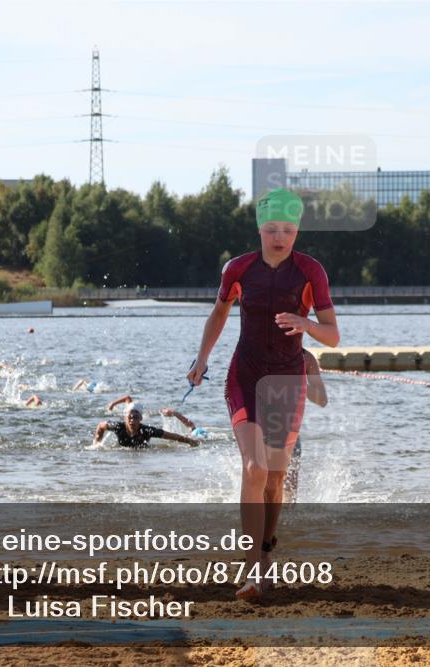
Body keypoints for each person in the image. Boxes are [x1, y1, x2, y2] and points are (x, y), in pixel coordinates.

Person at [187, 187, 339, 601]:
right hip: (246, 375)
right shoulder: (238, 269)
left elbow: (333, 335)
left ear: (297, 231)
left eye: (288, 230)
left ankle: (266, 555)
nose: (280, 237)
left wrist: (305, 325)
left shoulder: (311, 272)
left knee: (274, 480)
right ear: (259, 228)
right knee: (254, 468)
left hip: (288, 382)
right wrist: (202, 359)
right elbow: (219, 312)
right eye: (272, 229)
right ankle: (252, 567)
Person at [283, 349, 329, 504]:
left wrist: (300, 383)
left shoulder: (306, 358)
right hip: (261, 426)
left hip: (292, 431)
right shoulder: (262, 349)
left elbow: (322, 400)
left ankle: (288, 523)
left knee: (290, 490)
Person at [92, 402, 199, 448]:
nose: (132, 420)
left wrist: (190, 441)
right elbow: (101, 426)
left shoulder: (147, 431)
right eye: (130, 417)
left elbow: (171, 436)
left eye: (136, 417)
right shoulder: (118, 427)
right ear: (125, 418)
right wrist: (97, 442)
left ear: (141, 419)